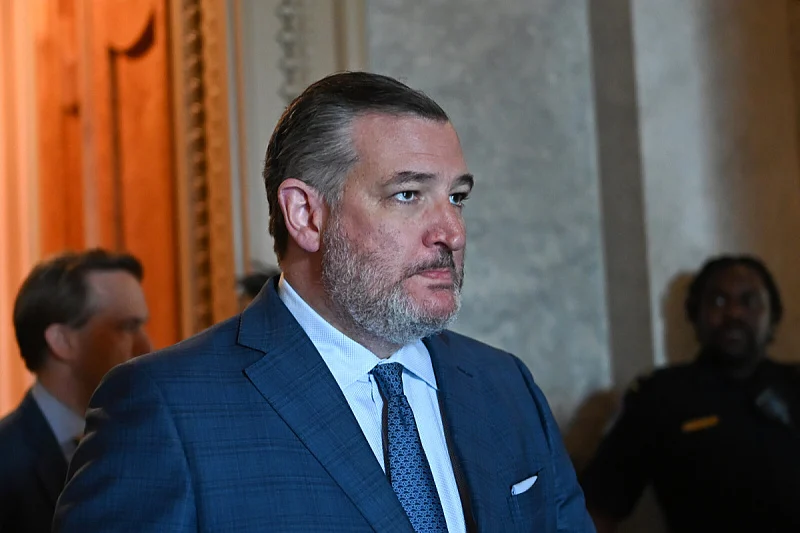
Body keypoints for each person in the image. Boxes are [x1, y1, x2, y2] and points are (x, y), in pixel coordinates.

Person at [54, 72, 594, 532]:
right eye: (408, 195)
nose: (451, 231)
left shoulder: (505, 386)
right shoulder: (167, 407)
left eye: (457, 197)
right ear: (306, 215)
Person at [581, 255, 800, 533]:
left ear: (773, 317)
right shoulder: (660, 396)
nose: (733, 313)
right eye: (718, 301)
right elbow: (597, 509)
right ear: (695, 315)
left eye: (749, 301)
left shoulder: (794, 385)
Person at [0, 249, 152, 533]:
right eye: (127, 328)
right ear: (61, 341)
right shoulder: (6, 461)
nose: (148, 348)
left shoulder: (145, 442)